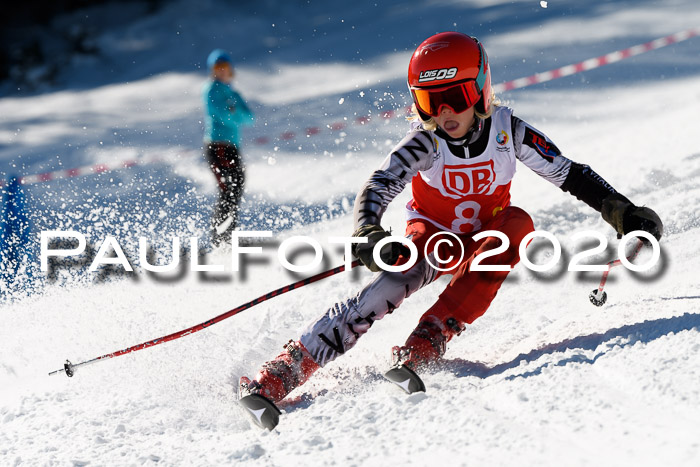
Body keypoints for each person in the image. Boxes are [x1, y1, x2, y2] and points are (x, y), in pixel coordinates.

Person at [239, 32, 663, 404]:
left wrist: (622, 212)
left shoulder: (508, 131)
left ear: (480, 90)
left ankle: (431, 335)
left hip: (484, 239)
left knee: (517, 226)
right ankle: (288, 369)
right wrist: (368, 230)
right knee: (391, 284)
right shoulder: (424, 143)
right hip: (432, 236)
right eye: (429, 101)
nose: (444, 112)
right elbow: (379, 184)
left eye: (455, 98)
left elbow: (568, 173)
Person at [202, 49, 254, 246]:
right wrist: (234, 112)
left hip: (232, 146)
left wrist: (234, 111)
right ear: (212, 70)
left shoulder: (231, 92)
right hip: (217, 146)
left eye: (225, 66)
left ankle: (227, 235)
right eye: (217, 67)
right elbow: (223, 114)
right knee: (228, 188)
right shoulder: (211, 89)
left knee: (237, 185)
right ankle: (221, 238)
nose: (222, 71)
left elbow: (249, 118)